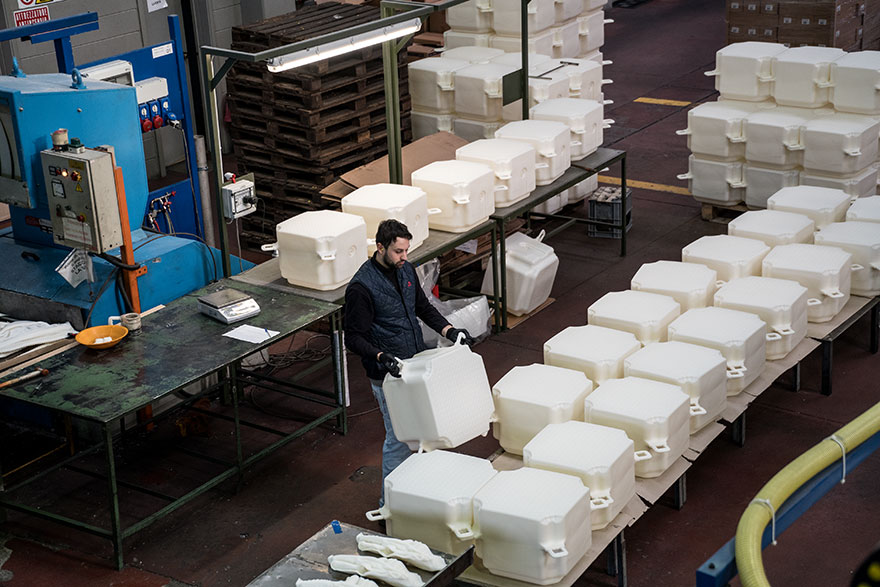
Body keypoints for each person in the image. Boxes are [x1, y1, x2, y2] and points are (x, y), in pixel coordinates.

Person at [344, 219, 475, 506]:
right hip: (388, 375)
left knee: (426, 429)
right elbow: (353, 338)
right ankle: (389, 503)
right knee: (400, 438)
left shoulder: (406, 271)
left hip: (414, 366)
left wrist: (450, 331)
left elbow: (423, 307)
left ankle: (418, 493)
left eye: (406, 251)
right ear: (380, 247)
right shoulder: (361, 288)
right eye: (398, 252)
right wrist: (381, 357)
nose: (404, 257)